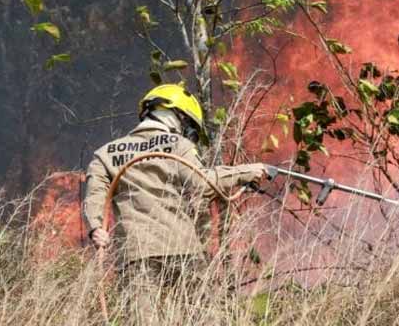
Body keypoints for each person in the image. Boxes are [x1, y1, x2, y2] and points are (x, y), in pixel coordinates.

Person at [83, 83, 267, 318]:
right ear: (178, 116)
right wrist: (247, 172)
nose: (186, 132)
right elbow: (203, 183)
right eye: (188, 127)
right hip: (182, 248)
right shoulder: (178, 145)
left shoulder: (106, 153)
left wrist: (96, 227)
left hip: (136, 253)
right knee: (205, 317)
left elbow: (95, 193)